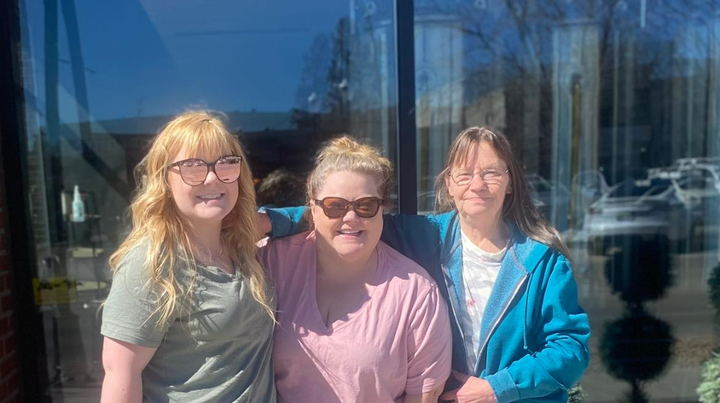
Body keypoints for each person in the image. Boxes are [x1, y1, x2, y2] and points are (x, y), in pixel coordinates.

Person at [262, 127, 591, 403]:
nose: (477, 184)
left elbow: (571, 348)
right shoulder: (425, 234)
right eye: (464, 174)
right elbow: (343, 215)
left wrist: (496, 388)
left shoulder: (543, 261)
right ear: (449, 184)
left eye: (491, 172)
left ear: (510, 182)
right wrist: (268, 222)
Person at [256, 137, 452, 403]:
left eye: (365, 206)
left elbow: (424, 395)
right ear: (313, 208)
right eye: (335, 206)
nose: (351, 217)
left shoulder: (416, 294)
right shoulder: (271, 262)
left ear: (382, 209)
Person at [101, 111, 276, 403]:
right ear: (164, 181)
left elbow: (312, 215)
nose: (212, 178)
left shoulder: (241, 246)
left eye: (226, 164)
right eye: (192, 167)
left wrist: (278, 220)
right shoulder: (152, 262)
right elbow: (120, 374)